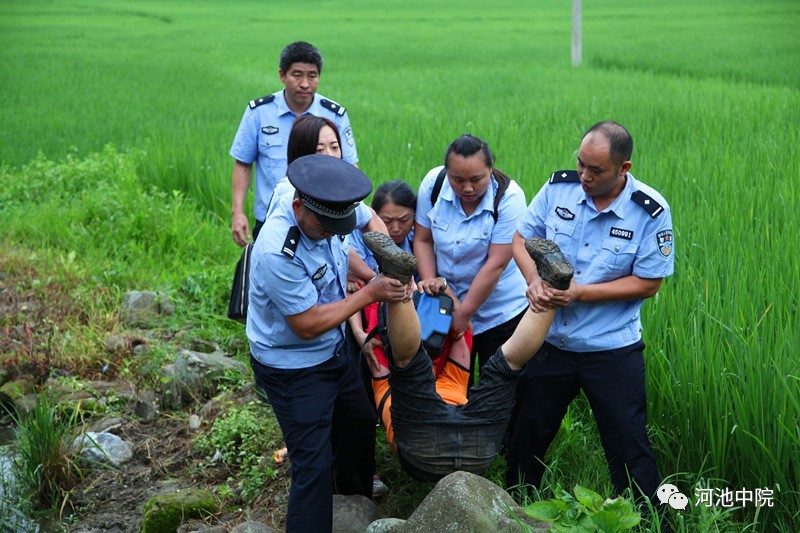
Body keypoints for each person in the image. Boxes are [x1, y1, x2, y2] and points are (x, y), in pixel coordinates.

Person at [505, 121, 675, 508]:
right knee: (525, 434)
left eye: (596, 170)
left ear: (623, 169)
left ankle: (652, 518)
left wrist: (582, 292)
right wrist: (532, 279)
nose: (584, 175)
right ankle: (513, 510)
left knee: (629, 444)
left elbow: (649, 282)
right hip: (550, 341)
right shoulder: (558, 188)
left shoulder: (649, 211)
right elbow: (521, 238)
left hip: (610, 348)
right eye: (581, 164)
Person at [246, 154, 408, 532]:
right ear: (299, 207)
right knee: (311, 466)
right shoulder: (276, 250)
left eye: (340, 225)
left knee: (358, 421)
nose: (335, 233)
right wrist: (371, 291)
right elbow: (306, 324)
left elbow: (357, 229)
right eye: (326, 226)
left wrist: (381, 264)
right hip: (293, 366)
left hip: (332, 351)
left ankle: (352, 505)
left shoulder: (322, 204)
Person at [361, 231, 572, 481]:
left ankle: (398, 278)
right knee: (506, 365)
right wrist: (444, 291)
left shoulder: (385, 378)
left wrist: (402, 294)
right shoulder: (454, 372)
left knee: (406, 364)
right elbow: (463, 329)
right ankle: (552, 288)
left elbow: (402, 353)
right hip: (478, 446)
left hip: (424, 449)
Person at [414, 134, 529, 384]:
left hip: (500, 310)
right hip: (444, 304)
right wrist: (432, 283)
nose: (467, 188)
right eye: (458, 180)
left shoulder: (510, 198)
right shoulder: (434, 184)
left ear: (490, 169)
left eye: (477, 179)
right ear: (447, 172)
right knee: (444, 384)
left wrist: (464, 314)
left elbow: (496, 264)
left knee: (497, 386)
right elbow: (422, 239)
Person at [229, 41, 358, 246]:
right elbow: (243, 164)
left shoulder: (333, 114)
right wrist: (237, 212)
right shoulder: (259, 112)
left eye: (312, 76)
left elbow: (350, 167)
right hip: (270, 219)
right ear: (282, 75)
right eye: (297, 75)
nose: (305, 84)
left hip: (322, 219)